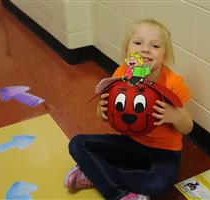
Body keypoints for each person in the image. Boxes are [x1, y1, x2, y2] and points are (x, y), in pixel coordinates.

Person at [64, 18, 193, 200]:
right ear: (127, 50)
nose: (145, 49)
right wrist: (102, 111)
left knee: (160, 185)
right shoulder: (122, 74)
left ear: (165, 56)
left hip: (164, 152)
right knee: (77, 143)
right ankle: (117, 190)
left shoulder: (174, 84)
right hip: (130, 144)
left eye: (155, 46)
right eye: (138, 42)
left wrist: (175, 116)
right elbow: (105, 116)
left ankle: (98, 176)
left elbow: (188, 127)